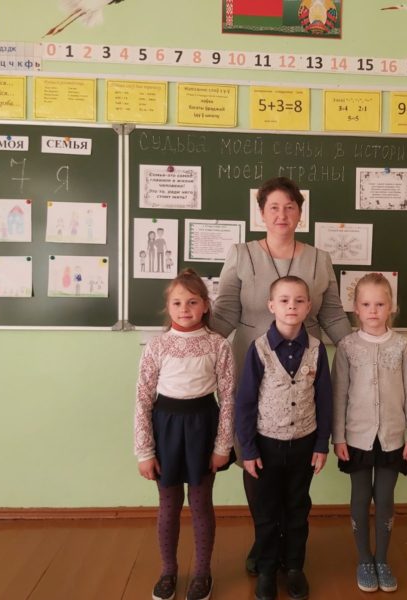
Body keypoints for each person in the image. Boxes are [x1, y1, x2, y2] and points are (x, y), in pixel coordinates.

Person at [210, 176, 351, 575]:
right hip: (252, 367)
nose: (282, 214)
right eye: (273, 207)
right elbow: (224, 312)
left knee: (295, 464)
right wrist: (191, 344)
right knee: (253, 457)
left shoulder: (320, 259)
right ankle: (264, 541)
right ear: (261, 213)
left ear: (300, 213)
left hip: (304, 369)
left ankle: (291, 550)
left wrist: (358, 349)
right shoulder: (240, 254)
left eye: (290, 206)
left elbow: (332, 314)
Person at [134, 269, 236, 600]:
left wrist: (223, 446)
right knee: (168, 505)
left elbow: (228, 398)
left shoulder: (218, 345)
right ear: (168, 306)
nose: (185, 309)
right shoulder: (157, 345)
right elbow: (143, 398)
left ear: (205, 305)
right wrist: (145, 451)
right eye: (177, 303)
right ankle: (168, 571)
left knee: (201, 504)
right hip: (165, 430)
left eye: (192, 302)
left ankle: (202, 573)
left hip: (203, 428)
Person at [235, 276, 333, 600]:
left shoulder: (317, 350)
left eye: (299, 300)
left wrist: (321, 444)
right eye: (285, 300)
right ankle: (266, 568)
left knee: (297, 508)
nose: (292, 306)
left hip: (304, 444)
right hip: (265, 446)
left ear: (308, 306)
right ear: (271, 306)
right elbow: (245, 402)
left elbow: (325, 399)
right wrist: (248, 449)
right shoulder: (259, 349)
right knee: (265, 511)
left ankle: (293, 567)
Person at [332, 273, 407, 593]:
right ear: (356, 308)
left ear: (391, 307)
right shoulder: (347, 347)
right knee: (360, 497)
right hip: (356, 438)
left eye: (380, 304)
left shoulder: (402, 346)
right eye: (366, 304)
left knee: (384, 498)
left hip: (392, 438)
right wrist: (338, 437)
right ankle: (364, 559)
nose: (373, 310)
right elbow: (339, 394)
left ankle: (382, 559)